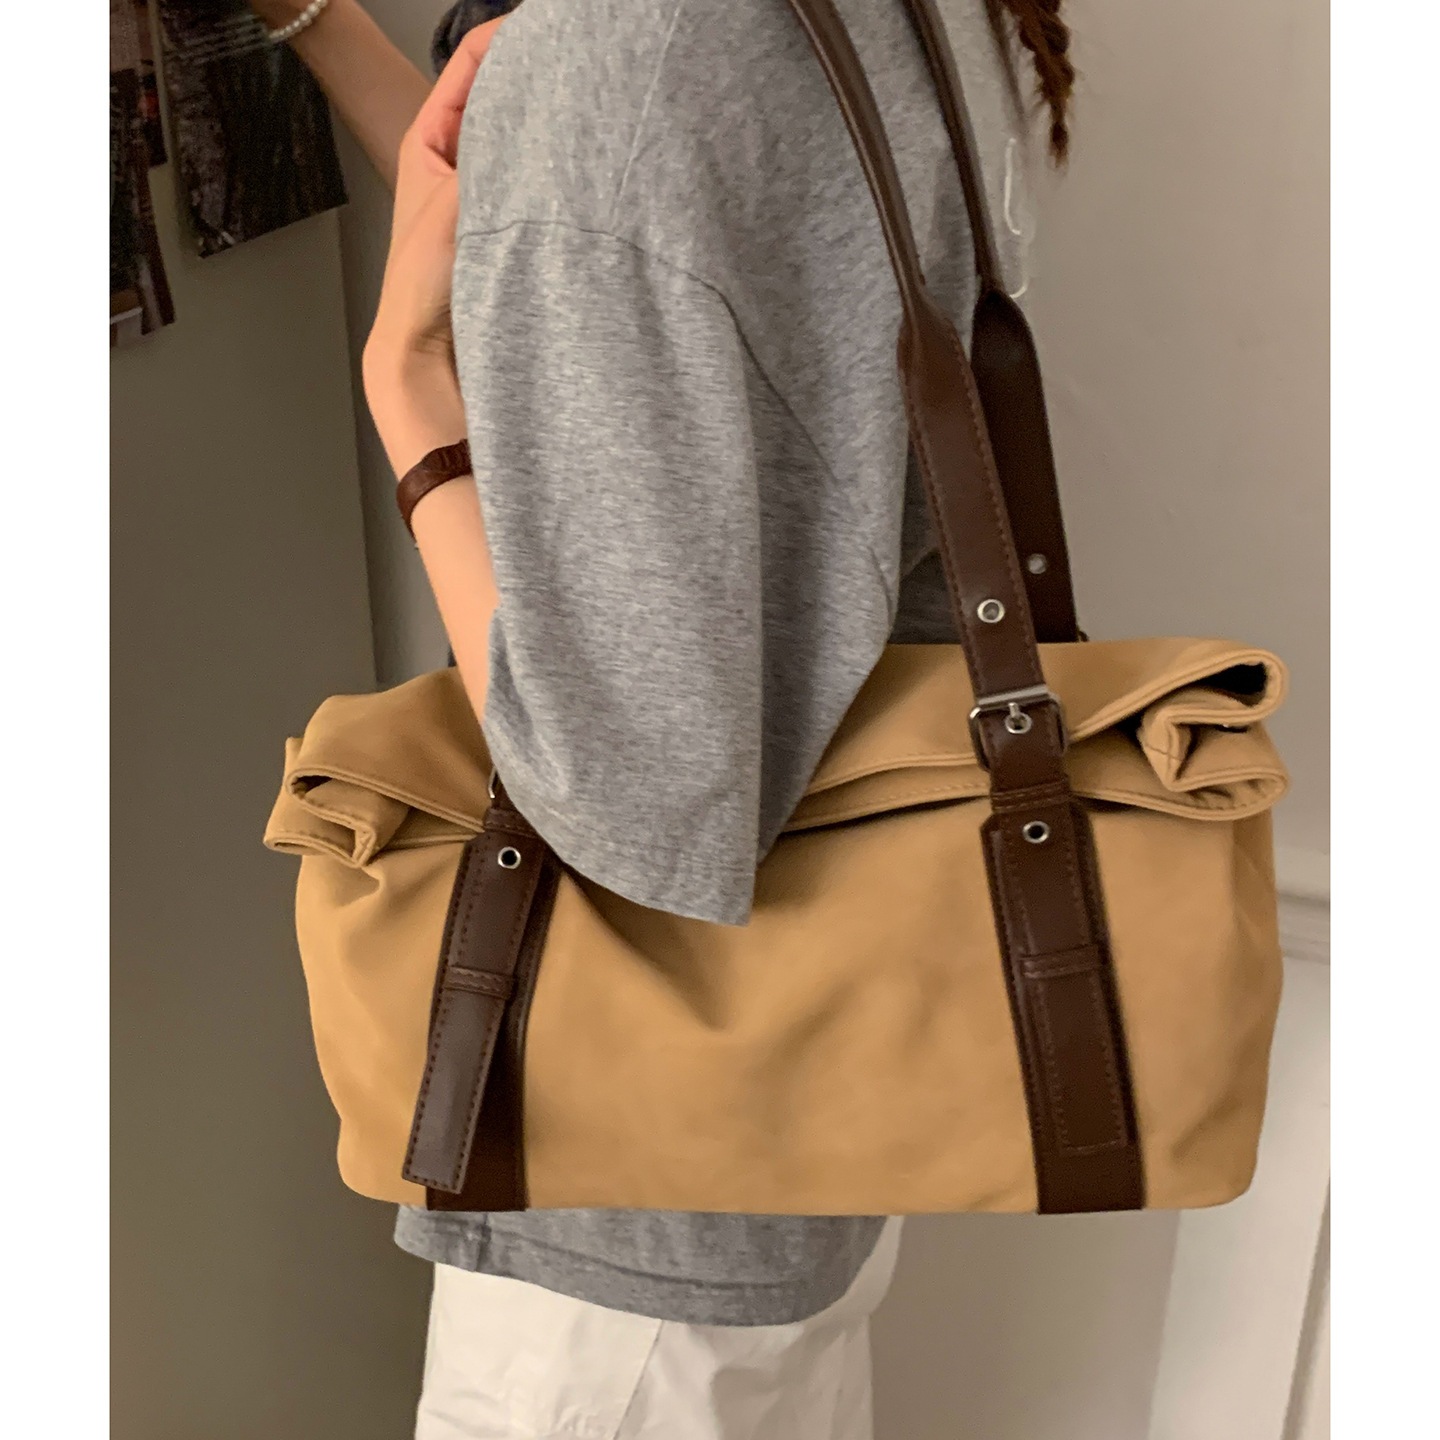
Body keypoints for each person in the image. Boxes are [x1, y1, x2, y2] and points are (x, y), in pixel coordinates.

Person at [252, 1, 1072, 1434]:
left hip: (628, 1241)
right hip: (797, 1128)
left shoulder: (634, 55)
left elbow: (619, 792)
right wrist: (322, 23)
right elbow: (613, 278)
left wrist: (404, 384)